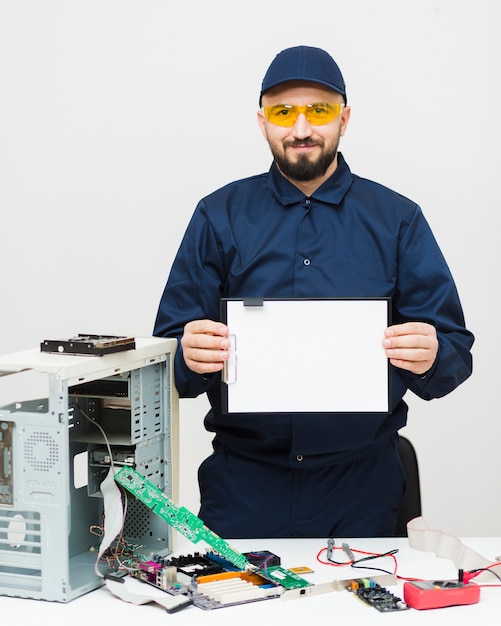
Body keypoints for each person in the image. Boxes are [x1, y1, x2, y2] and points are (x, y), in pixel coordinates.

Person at [153, 45, 474, 539]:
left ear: (344, 119)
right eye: (284, 112)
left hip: (363, 490)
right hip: (242, 488)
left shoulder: (397, 220)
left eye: (318, 111)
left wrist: (433, 353)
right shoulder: (218, 216)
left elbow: (455, 352)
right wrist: (185, 354)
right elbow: (167, 357)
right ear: (263, 122)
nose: (301, 130)